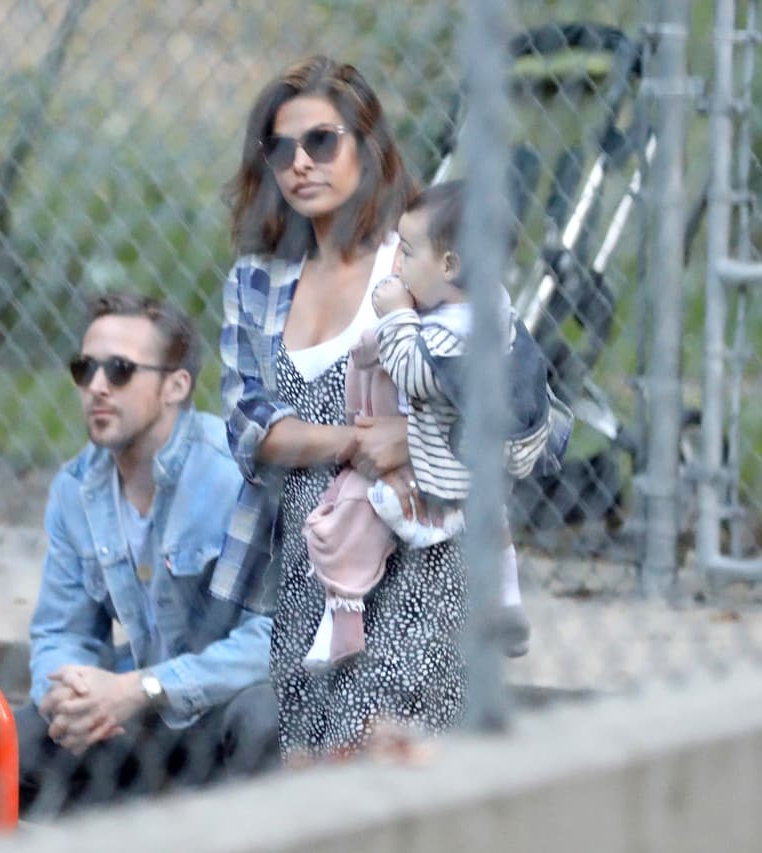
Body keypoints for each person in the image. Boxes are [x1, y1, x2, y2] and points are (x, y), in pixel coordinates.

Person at [214, 56, 549, 761]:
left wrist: (420, 436)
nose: (299, 162)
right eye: (280, 148)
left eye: (321, 141)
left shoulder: (420, 261)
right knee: (307, 759)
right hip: (312, 555)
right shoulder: (255, 280)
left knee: (375, 755)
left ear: (368, 147)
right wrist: (357, 439)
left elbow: (530, 410)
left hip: (420, 555)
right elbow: (249, 427)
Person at [0, 292, 278, 817]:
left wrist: (144, 686)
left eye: (120, 370)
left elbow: (276, 637)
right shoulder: (75, 489)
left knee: (268, 720)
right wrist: (70, 696)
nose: (97, 387)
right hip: (142, 722)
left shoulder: (234, 473)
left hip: (223, 708)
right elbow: (62, 632)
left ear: (176, 385)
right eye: (84, 369)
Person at [301, 180, 570, 668]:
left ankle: (343, 625)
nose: (396, 263)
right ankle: (505, 599)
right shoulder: (491, 310)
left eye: (406, 251)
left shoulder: (449, 332)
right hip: (477, 470)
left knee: (352, 514)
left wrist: (397, 317)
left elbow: (416, 372)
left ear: (449, 267)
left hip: (435, 469)